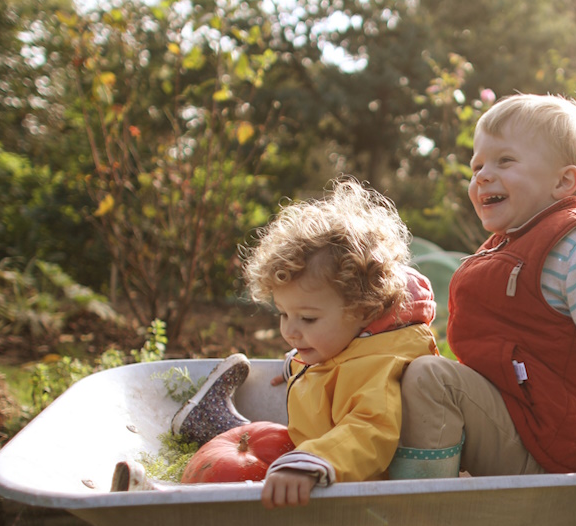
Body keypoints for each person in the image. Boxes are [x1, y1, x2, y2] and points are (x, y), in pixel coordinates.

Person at [388, 93, 576, 491]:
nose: (483, 175)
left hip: (544, 445)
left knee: (432, 379)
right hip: (514, 422)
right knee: (404, 372)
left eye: (505, 161)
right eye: (477, 166)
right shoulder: (509, 244)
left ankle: (418, 515)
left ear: (563, 181)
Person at [170, 179, 440, 507]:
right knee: (261, 446)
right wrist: (297, 365)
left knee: (256, 466)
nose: (290, 332)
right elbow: (337, 366)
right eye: (284, 314)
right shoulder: (345, 342)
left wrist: (310, 463)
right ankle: (213, 427)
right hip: (313, 456)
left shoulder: (380, 369)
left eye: (307, 319)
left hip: (344, 484)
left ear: (363, 309)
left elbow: (368, 431)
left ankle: (198, 449)